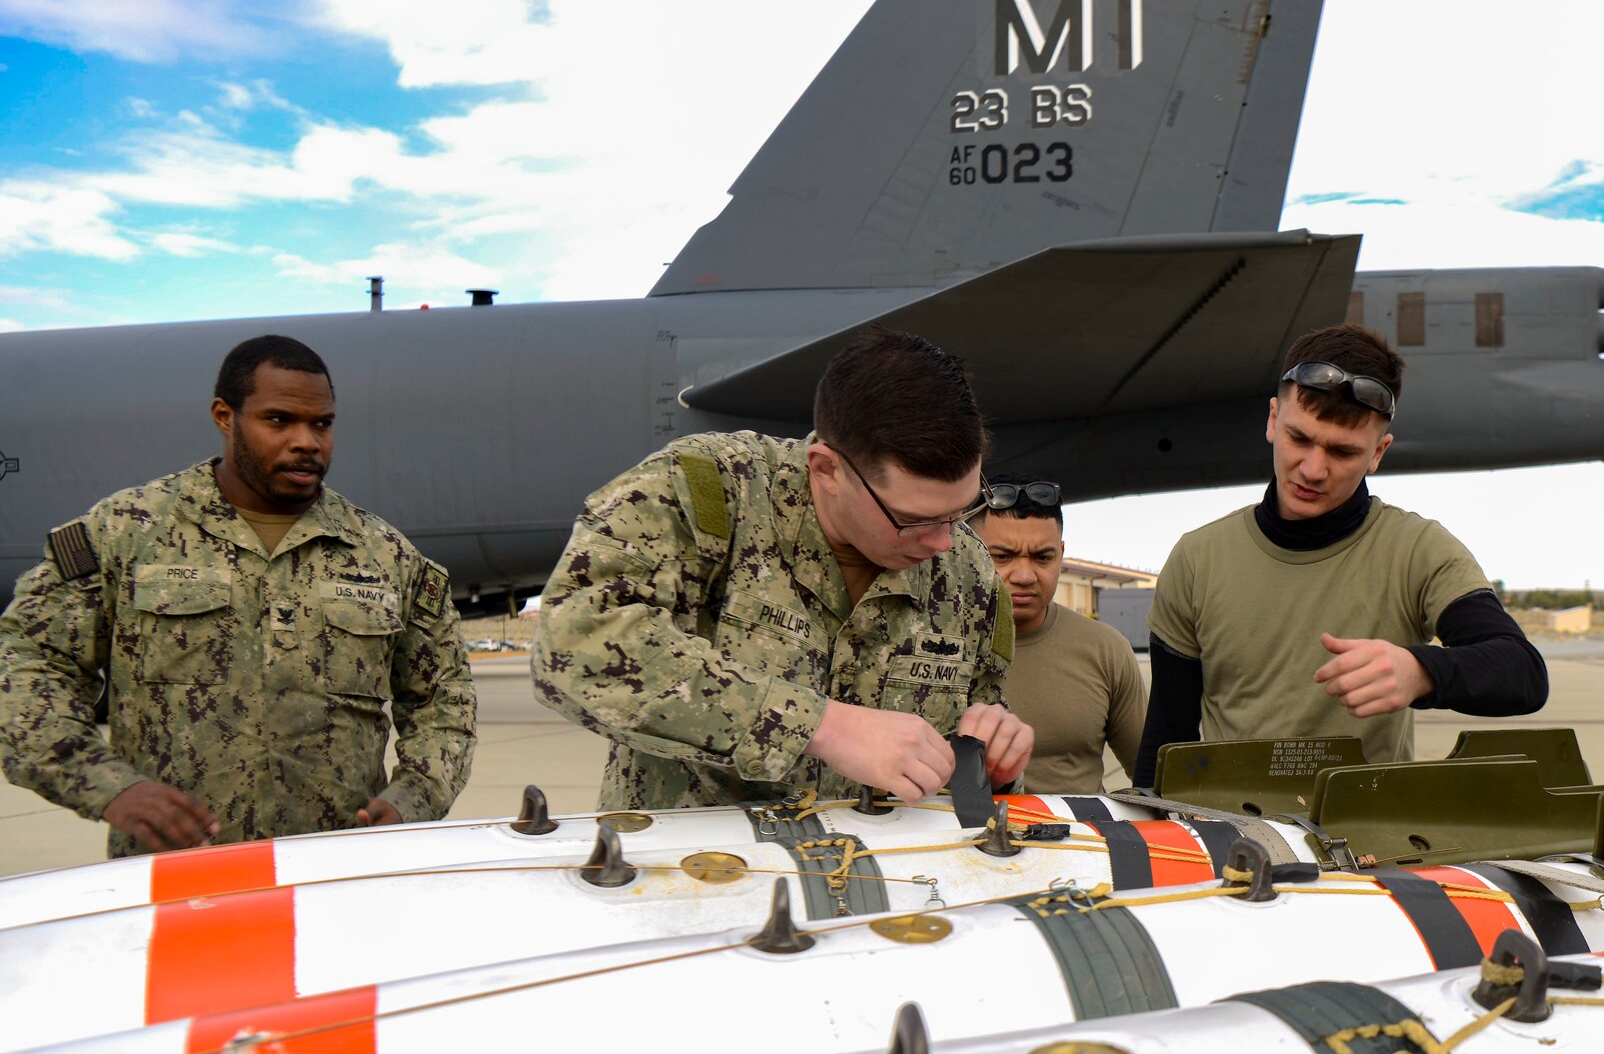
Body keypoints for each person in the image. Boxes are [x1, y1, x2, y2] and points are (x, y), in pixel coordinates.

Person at [0, 335, 476, 856]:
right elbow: (27, 665)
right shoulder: (128, 532)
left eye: (322, 423)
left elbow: (443, 698)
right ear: (225, 416)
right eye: (279, 421)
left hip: (335, 874)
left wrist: (415, 796)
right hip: (174, 878)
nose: (307, 442)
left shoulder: (384, 555)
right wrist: (107, 785)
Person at [532, 326, 1032, 808]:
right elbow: (573, 646)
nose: (945, 541)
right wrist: (822, 726)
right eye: (911, 519)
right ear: (826, 469)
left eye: (964, 509)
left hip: (876, 880)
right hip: (700, 875)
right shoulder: (710, 493)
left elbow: (970, 736)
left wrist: (990, 764)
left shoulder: (968, 572)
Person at [1136, 323, 1546, 784]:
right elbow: (1166, 742)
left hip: (1365, 843)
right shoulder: (1197, 559)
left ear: (1378, 453)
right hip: (1235, 838)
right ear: (1273, 420)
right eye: (1300, 438)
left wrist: (1421, 671)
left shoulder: (1417, 550)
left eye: (1343, 452)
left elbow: (1523, 673)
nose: (1313, 469)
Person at [975, 473, 1144, 793]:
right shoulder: (925, 643)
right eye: (1002, 557)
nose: (1024, 575)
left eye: (1043, 557)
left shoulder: (1105, 649)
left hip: (1081, 840)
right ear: (966, 551)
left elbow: (1155, 779)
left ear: (1061, 554)